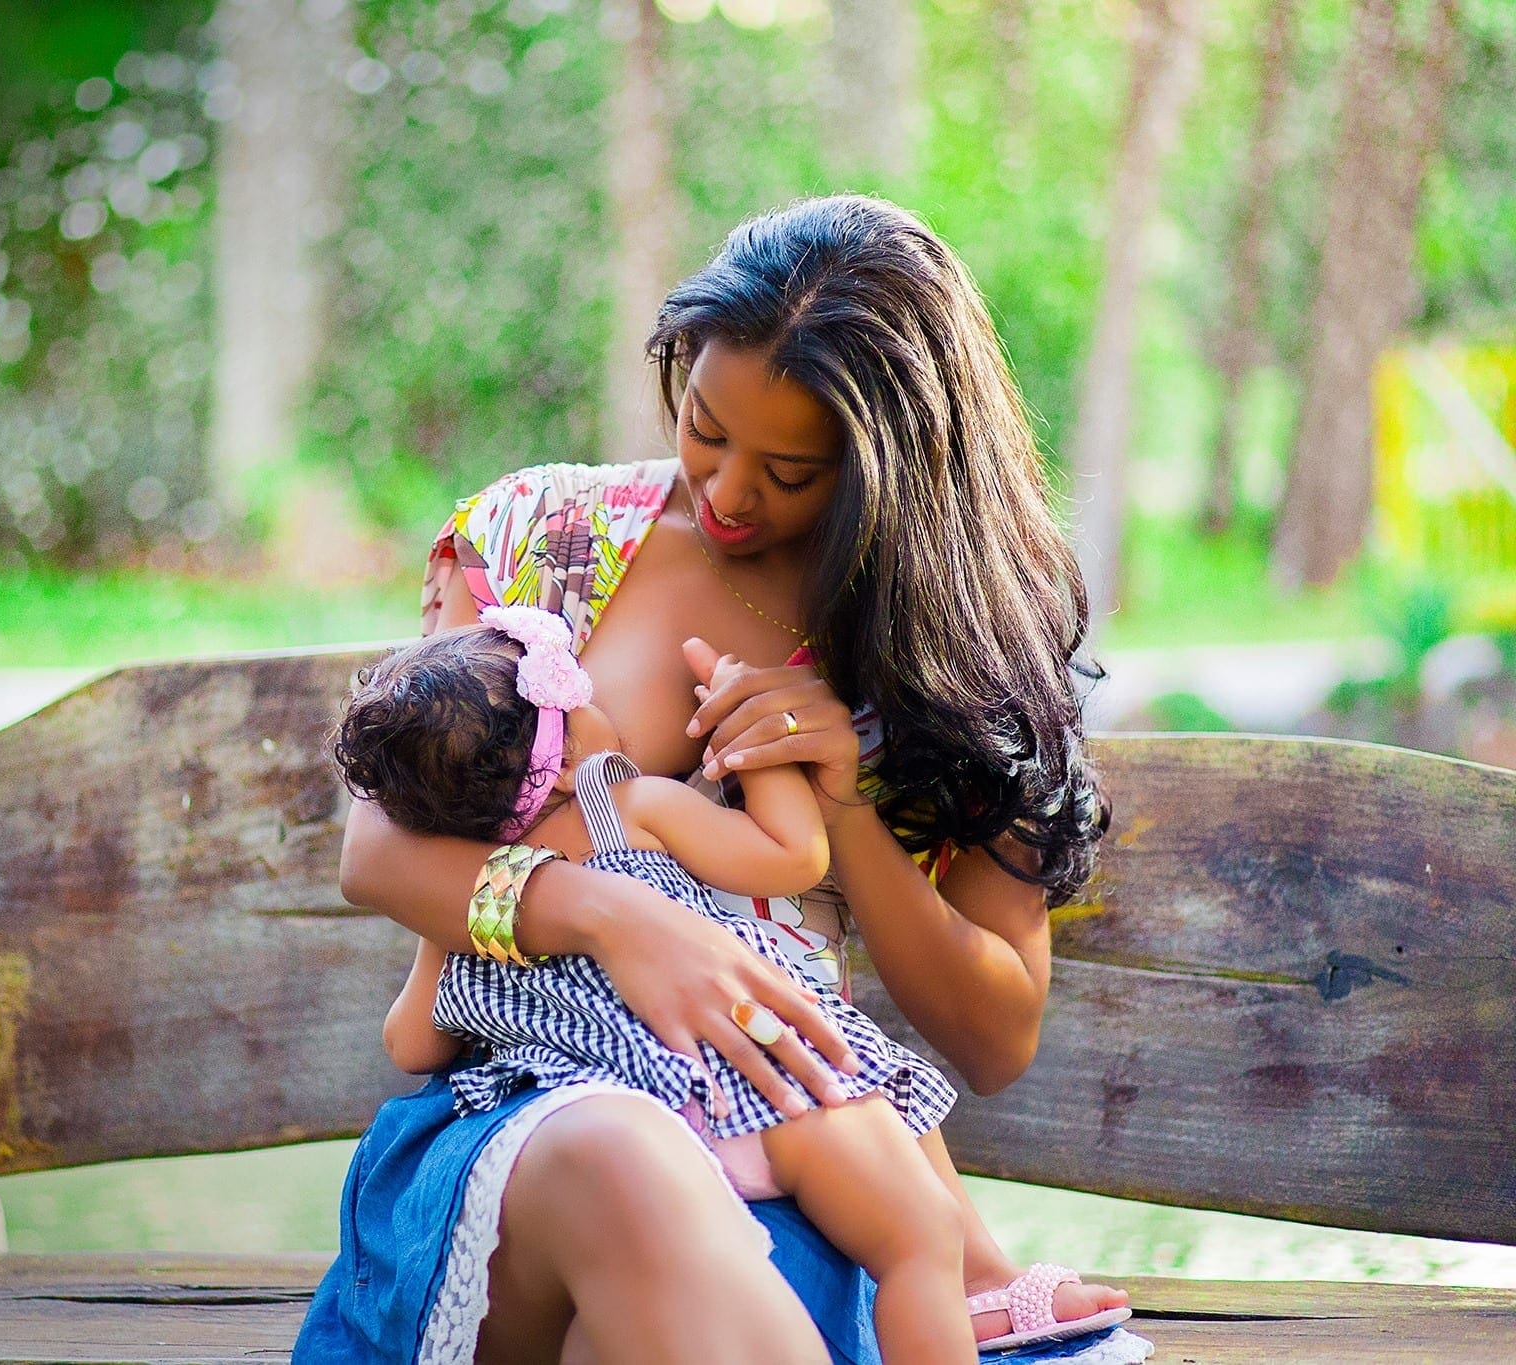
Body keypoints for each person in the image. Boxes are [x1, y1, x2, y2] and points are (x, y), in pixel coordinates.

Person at [293, 195, 1131, 1365]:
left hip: (789, 1151)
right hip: (528, 1124)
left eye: (790, 470)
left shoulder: (953, 644)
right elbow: (377, 855)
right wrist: (614, 913)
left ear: (896, 468)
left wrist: (840, 801)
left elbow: (993, 1038)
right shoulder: (548, 536)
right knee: (629, 1169)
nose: (729, 493)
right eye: (702, 428)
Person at [331, 607, 1132, 1362]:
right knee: (919, 1237)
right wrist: (751, 746)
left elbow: (411, 1040)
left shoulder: (475, 914)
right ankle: (956, 1314)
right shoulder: (628, 806)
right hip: (769, 1083)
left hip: (644, 1128)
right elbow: (791, 856)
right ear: (571, 759)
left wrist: (451, 944)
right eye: (585, 696)